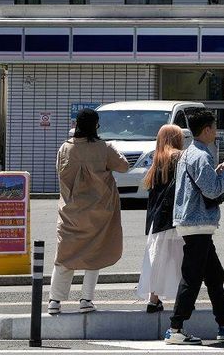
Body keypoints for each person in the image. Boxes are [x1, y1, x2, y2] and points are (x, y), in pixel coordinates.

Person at [166, 109, 224, 345]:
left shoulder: (189, 153)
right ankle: (176, 329)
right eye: (213, 128)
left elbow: (201, 184)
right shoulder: (202, 155)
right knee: (191, 278)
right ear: (206, 130)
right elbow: (212, 190)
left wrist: (217, 173)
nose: (215, 132)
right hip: (197, 222)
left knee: (215, 276)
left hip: (193, 221)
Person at [49, 108, 130, 315]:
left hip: (70, 212)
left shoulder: (64, 149)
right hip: (98, 212)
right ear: (95, 125)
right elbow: (123, 166)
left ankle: (55, 301)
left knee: (65, 256)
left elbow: (59, 171)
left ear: (76, 125)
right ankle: (86, 299)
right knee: (95, 255)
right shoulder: (104, 148)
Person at [138, 124, 185, 314]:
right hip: (176, 216)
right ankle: (183, 299)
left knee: (158, 259)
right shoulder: (180, 157)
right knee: (182, 259)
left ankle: (153, 298)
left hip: (158, 219)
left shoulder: (157, 160)